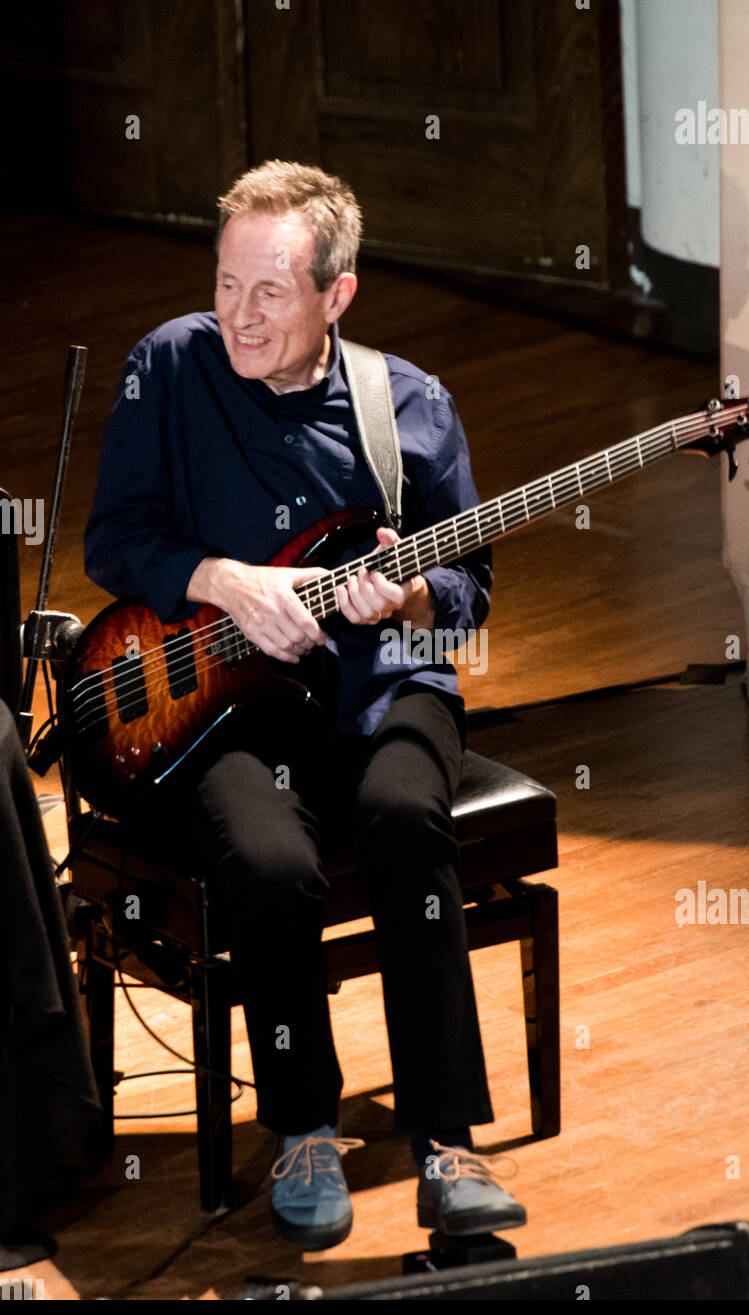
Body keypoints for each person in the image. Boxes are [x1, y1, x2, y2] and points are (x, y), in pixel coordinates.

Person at [83, 159, 526, 1250]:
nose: (238, 314)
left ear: (337, 294)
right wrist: (221, 578)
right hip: (230, 706)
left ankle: (447, 1138)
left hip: (382, 688)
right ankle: (304, 1127)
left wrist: (412, 591)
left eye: (269, 293)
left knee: (407, 820)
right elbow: (114, 540)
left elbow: (462, 607)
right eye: (227, 285)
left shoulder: (410, 405)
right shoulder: (168, 370)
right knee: (272, 866)